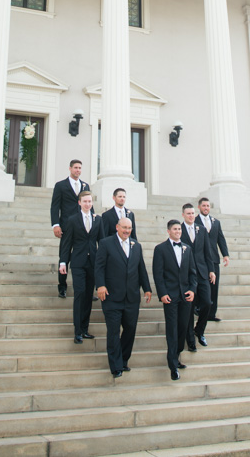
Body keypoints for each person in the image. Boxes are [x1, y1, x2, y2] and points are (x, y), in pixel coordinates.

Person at [95, 217, 151, 378]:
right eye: (124, 227)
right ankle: (116, 365)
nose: (127, 230)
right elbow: (99, 267)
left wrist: (146, 288)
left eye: (129, 228)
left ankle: (124, 360)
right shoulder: (106, 243)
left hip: (132, 297)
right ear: (117, 227)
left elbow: (141, 269)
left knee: (130, 330)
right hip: (111, 296)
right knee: (113, 332)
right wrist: (100, 285)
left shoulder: (136, 245)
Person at [152, 219, 197, 380]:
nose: (178, 231)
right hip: (170, 296)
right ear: (168, 231)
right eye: (175, 229)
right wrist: (162, 293)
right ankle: (172, 365)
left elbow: (193, 273)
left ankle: (177, 356)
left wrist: (192, 290)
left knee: (183, 328)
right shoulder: (160, 249)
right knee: (172, 329)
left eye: (179, 229)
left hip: (185, 296)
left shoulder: (188, 249)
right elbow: (158, 274)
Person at [59, 191, 103, 343]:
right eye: (85, 201)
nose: (88, 204)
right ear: (79, 203)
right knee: (79, 293)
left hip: (93, 264)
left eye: (90, 201)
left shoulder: (98, 220)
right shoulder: (72, 220)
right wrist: (63, 262)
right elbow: (66, 243)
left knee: (88, 296)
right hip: (78, 263)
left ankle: (85, 329)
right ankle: (77, 331)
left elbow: (102, 243)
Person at [51, 159, 91, 298]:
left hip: (82, 227)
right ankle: (62, 286)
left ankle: (88, 288)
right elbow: (55, 206)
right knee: (64, 256)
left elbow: (88, 205)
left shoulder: (85, 186)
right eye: (75, 168)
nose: (78, 170)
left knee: (86, 257)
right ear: (70, 168)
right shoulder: (60, 185)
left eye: (80, 168)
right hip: (67, 226)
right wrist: (55, 224)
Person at [180, 203, 215, 350]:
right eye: (188, 213)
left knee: (207, 302)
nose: (191, 216)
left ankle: (199, 330)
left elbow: (208, 252)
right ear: (183, 215)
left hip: (202, 273)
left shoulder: (201, 230)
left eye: (193, 213)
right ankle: (190, 340)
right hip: (187, 275)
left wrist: (211, 270)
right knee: (189, 307)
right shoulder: (178, 229)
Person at [197, 197, 230, 322]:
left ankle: (211, 314)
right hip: (200, 260)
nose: (206, 208)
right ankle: (199, 309)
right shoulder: (194, 221)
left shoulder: (216, 222)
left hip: (214, 259)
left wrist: (225, 255)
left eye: (208, 206)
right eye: (204, 206)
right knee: (201, 285)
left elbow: (221, 239)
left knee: (214, 287)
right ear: (199, 207)